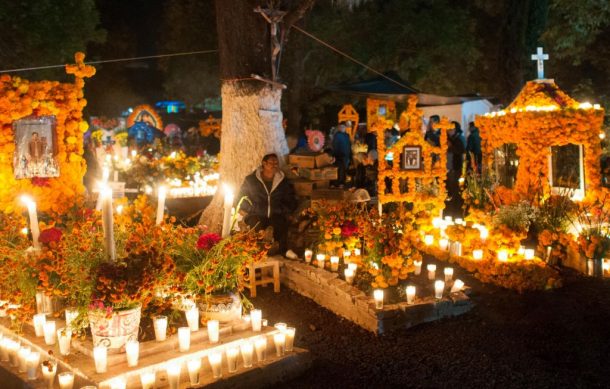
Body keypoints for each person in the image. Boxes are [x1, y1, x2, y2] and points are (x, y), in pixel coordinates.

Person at [238, 153, 297, 256]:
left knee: (279, 223)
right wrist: (254, 209)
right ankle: (258, 250)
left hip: (276, 213)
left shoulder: (283, 181)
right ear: (264, 164)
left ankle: (284, 250)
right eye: (271, 163)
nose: (274, 165)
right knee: (256, 224)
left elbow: (290, 199)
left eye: (276, 163)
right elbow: (241, 199)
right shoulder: (251, 180)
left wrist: (280, 209)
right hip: (256, 213)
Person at [332, 122, 352, 187]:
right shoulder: (337, 135)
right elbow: (335, 145)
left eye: (343, 127)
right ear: (339, 128)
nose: (342, 128)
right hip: (339, 155)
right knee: (340, 169)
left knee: (345, 168)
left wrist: (350, 154)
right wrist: (335, 154)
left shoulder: (347, 135)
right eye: (341, 127)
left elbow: (349, 145)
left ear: (345, 128)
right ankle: (340, 182)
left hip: (346, 155)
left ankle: (342, 181)